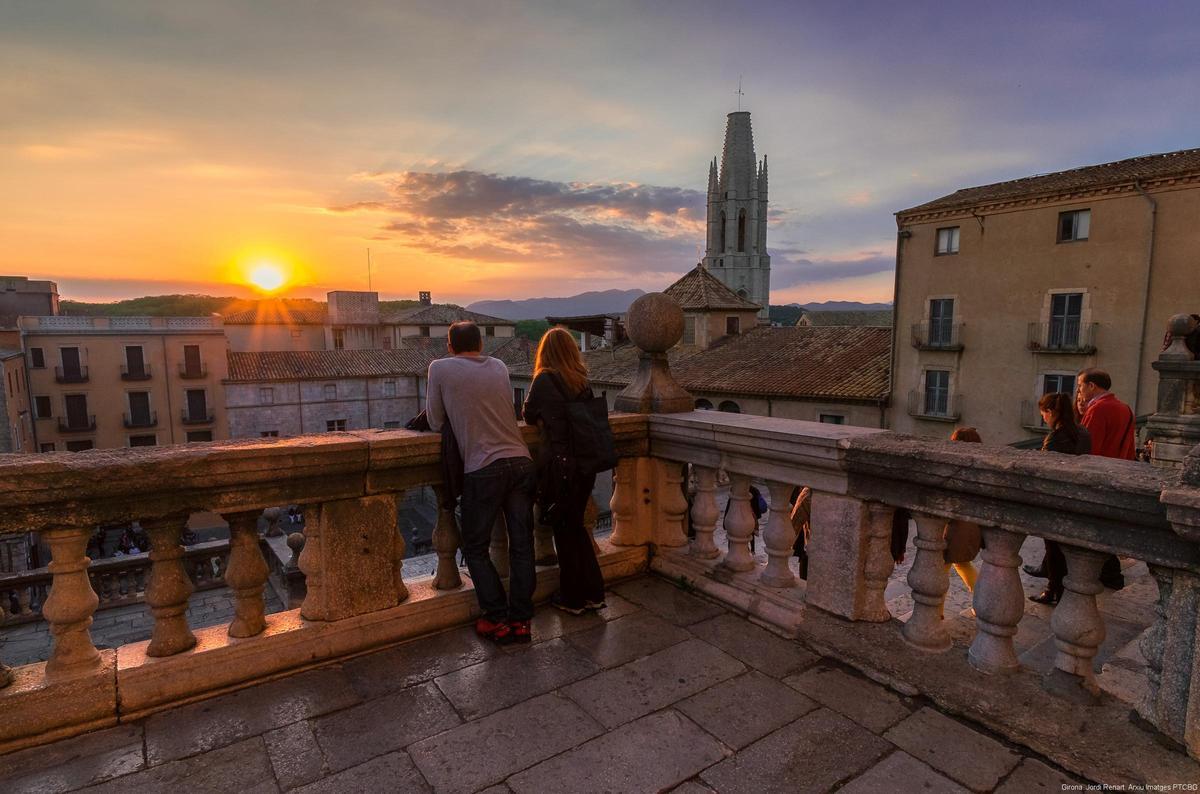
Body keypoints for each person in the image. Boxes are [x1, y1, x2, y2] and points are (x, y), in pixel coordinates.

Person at [427, 321, 536, 644]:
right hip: (521, 461)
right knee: (522, 545)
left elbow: (435, 420)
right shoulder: (499, 366)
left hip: (483, 466)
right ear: (481, 345)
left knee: (475, 547)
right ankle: (521, 621)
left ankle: (496, 618)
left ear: (450, 346)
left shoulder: (439, 368)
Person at [523, 327, 606, 616]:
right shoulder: (581, 380)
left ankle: (573, 597)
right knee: (576, 527)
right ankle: (593, 593)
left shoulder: (544, 379)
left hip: (560, 465)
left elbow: (528, 414)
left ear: (545, 352)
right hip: (584, 464)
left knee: (564, 529)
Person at [1028, 392, 1092, 605]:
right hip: (1076, 497)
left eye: (1044, 414)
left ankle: (1053, 590)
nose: (1043, 418)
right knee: (1064, 550)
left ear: (1051, 412)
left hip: (1055, 500)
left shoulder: (1055, 438)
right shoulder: (1082, 432)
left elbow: (1043, 470)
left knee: (1053, 549)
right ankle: (1058, 589)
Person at [1076, 368, 1133, 589]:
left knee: (1093, 528)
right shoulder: (1124, 408)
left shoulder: (1098, 409)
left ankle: (1109, 574)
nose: (1079, 390)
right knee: (1105, 527)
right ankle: (1110, 574)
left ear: (1092, 386)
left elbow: (1087, 448)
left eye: (1080, 385)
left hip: (1098, 476)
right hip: (1118, 473)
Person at [944, 428, 983, 593]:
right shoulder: (979, 468)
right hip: (971, 527)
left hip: (957, 527)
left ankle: (983, 597)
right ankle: (983, 597)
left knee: (942, 566)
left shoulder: (958, 469)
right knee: (960, 563)